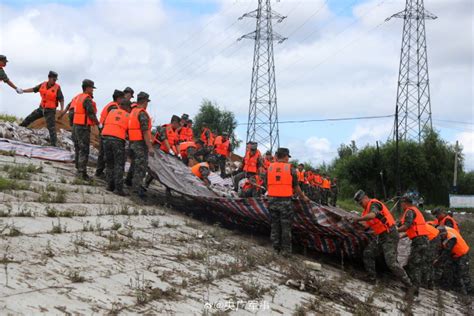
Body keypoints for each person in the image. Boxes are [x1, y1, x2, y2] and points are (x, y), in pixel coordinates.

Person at [350, 190, 412, 288]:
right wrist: (353, 223)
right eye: (359, 203)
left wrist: (357, 219)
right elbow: (366, 224)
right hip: (382, 236)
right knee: (368, 253)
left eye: (361, 202)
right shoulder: (366, 211)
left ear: (365, 197)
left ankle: (409, 285)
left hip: (389, 234)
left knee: (391, 263)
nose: (360, 205)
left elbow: (373, 215)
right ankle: (371, 278)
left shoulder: (374, 204)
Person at [267, 148, 310, 257]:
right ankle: (286, 252)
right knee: (285, 226)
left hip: (272, 200)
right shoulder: (290, 169)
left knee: (275, 225)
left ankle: (275, 249)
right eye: (287, 157)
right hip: (285, 201)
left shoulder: (270, 167)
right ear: (285, 156)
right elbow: (296, 187)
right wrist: (304, 198)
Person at [20, 71, 64, 146]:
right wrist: (23, 91)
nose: (54, 81)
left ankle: (54, 144)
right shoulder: (43, 84)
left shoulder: (57, 88)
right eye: (53, 79)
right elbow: (34, 89)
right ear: (49, 78)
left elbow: (61, 99)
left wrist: (62, 110)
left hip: (50, 110)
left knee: (51, 127)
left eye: (55, 80)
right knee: (29, 118)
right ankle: (19, 128)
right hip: (41, 108)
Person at [398, 194, 429, 294]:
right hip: (422, 240)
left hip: (419, 241)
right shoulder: (414, 210)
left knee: (413, 264)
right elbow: (412, 229)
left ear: (405, 203)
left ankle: (413, 289)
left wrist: (395, 230)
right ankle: (414, 288)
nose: (401, 205)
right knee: (416, 264)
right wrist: (400, 235)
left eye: (401, 203)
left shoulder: (410, 211)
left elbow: (406, 226)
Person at [125, 92, 154, 198]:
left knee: (133, 164)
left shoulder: (133, 112)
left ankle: (128, 182)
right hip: (140, 144)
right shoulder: (142, 114)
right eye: (147, 102)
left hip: (132, 142)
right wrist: (150, 147)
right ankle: (136, 190)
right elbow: (145, 132)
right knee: (140, 167)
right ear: (145, 102)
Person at [71, 79, 100, 180]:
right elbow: (91, 114)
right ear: (87, 88)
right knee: (84, 149)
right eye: (92, 88)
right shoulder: (87, 99)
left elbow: (71, 111)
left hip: (75, 125)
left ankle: (78, 168)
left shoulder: (78, 97)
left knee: (78, 148)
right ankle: (81, 173)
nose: (92, 90)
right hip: (83, 127)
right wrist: (98, 124)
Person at [102, 100, 131, 196]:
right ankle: (118, 188)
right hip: (117, 139)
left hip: (105, 137)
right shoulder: (128, 116)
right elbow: (129, 131)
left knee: (109, 162)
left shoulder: (111, 112)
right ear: (127, 107)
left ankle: (109, 185)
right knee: (119, 164)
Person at [95, 89, 125, 178]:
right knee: (104, 153)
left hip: (104, 129)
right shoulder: (114, 107)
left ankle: (99, 172)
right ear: (119, 98)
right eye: (122, 98)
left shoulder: (111, 105)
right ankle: (99, 172)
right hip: (107, 131)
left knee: (103, 152)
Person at [435, 226, 472, 295]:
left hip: (462, 254)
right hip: (454, 255)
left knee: (463, 273)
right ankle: (450, 287)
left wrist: (438, 261)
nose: (441, 237)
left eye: (442, 236)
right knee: (449, 270)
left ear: (445, 233)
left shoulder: (451, 238)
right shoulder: (444, 233)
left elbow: (446, 252)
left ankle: (470, 292)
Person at [424, 222, 441, 289]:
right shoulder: (425, 225)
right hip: (435, 239)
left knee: (427, 262)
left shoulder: (417, 226)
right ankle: (430, 284)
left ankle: (426, 283)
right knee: (430, 264)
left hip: (433, 240)